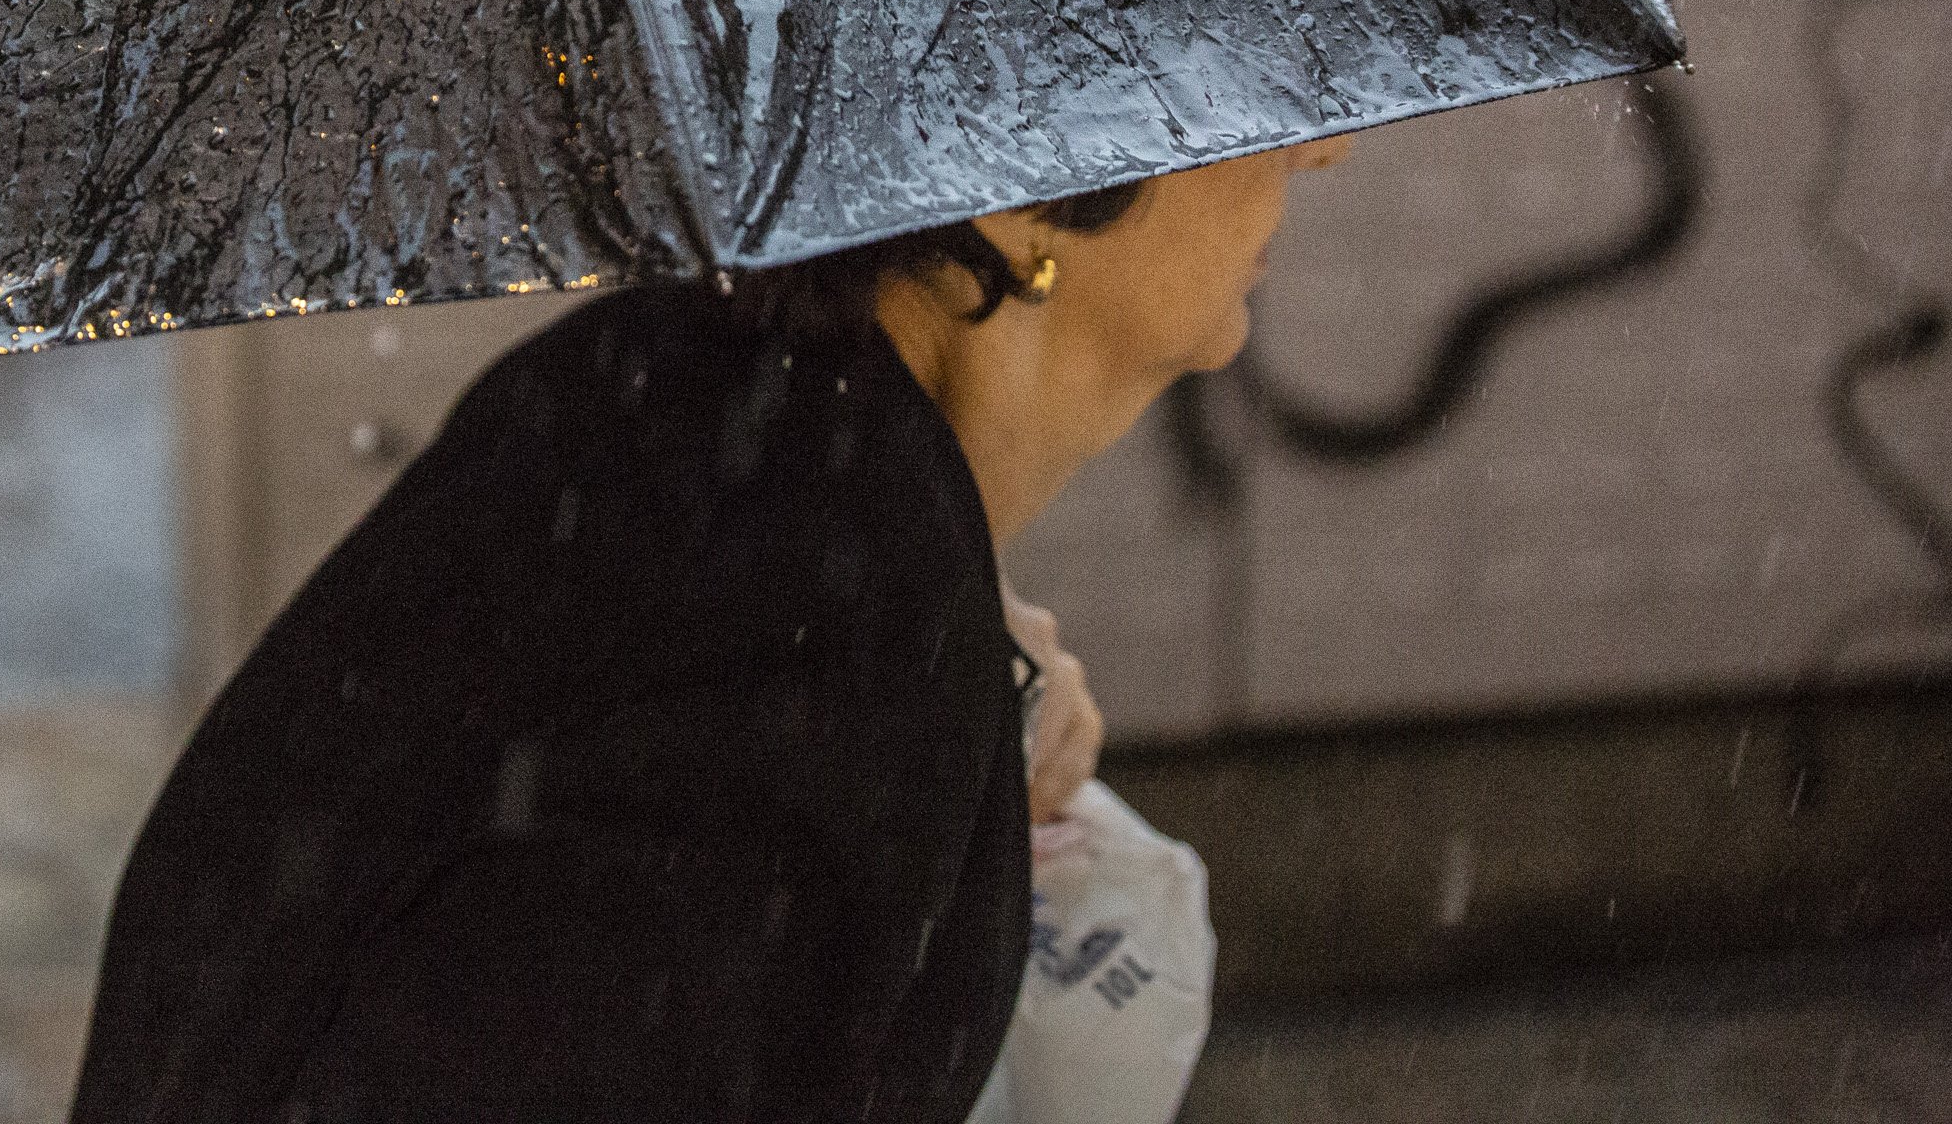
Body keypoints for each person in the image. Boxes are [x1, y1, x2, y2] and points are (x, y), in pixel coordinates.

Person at [68, 136, 1354, 1122]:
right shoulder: (808, 632)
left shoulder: (720, 426)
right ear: (1022, 186)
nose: (1322, 145)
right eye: (1217, 94)